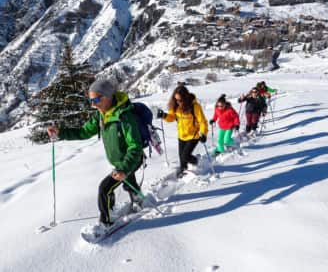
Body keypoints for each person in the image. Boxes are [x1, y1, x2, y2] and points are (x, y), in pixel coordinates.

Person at [47, 79, 144, 231]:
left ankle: (106, 221)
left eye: (96, 100)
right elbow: (83, 132)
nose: (93, 104)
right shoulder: (101, 115)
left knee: (105, 188)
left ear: (108, 97)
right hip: (119, 162)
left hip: (130, 160)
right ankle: (137, 198)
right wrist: (61, 132)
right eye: (91, 100)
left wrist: (124, 168)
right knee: (128, 181)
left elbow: (135, 146)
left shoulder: (124, 117)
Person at [157, 85, 208, 177]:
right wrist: (164, 115)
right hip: (181, 135)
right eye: (175, 99)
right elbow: (171, 117)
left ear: (185, 98)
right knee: (182, 158)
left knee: (185, 156)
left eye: (180, 100)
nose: (177, 102)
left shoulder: (194, 107)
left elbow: (202, 121)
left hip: (193, 135)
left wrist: (203, 133)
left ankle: (196, 161)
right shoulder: (176, 106)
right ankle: (183, 170)